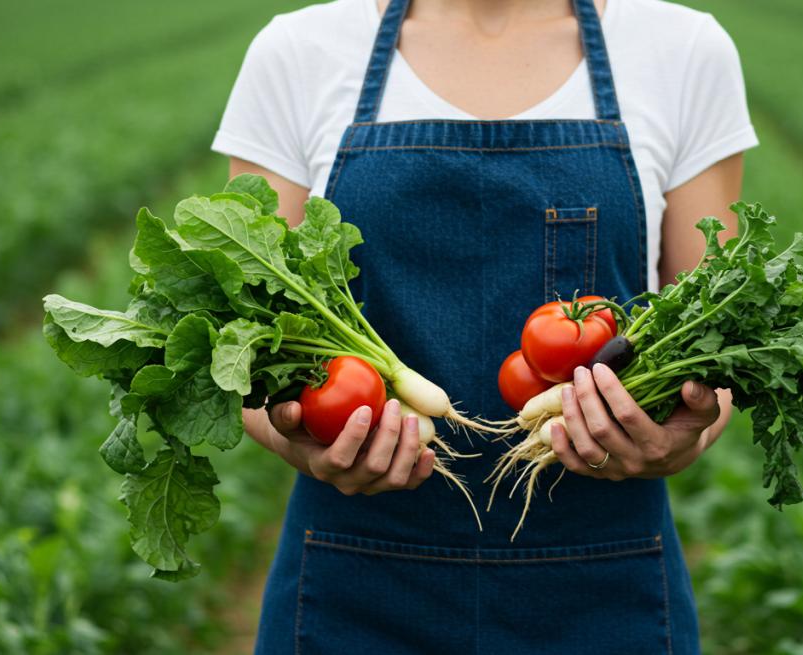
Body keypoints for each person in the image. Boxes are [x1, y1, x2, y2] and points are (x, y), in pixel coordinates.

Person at [212, 0, 756, 651]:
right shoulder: (299, 53)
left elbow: (715, 339)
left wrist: (682, 436)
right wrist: (297, 441)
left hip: (602, 592)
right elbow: (245, 352)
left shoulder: (683, 50)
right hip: (354, 588)